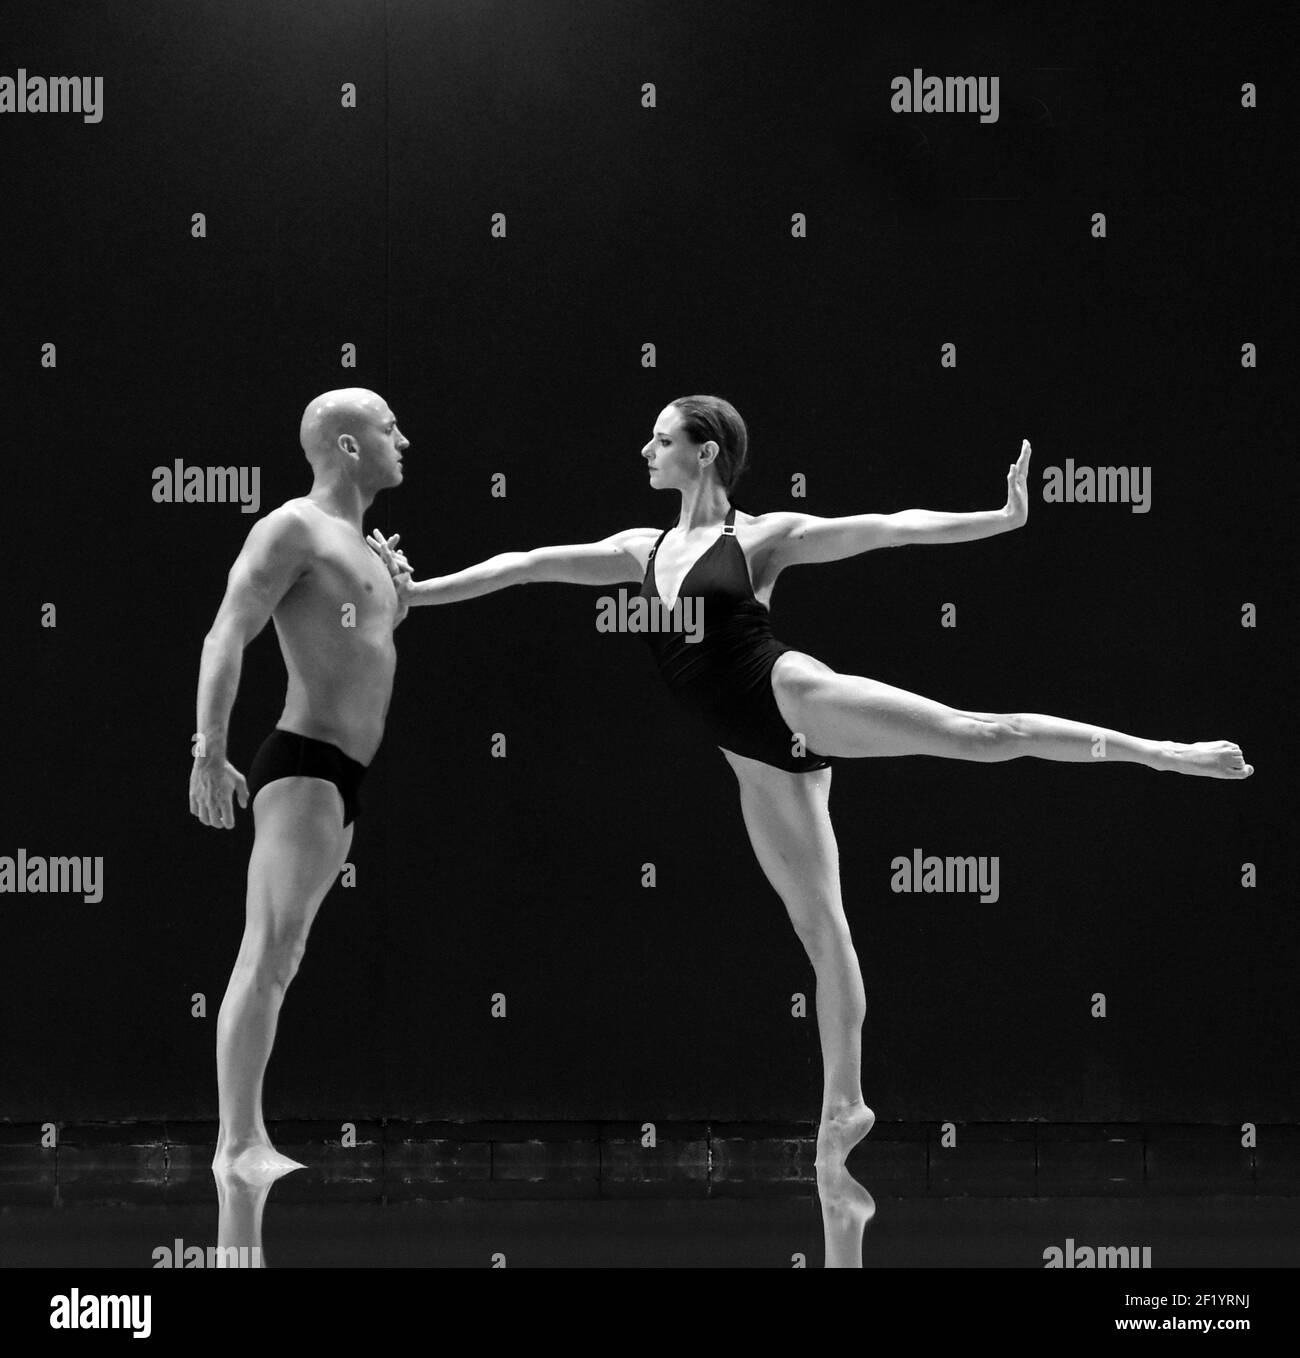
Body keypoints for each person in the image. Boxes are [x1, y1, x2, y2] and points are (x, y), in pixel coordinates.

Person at [368, 394, 1251, 1168]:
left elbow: (890, 526)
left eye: (660, 438)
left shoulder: (761, 538)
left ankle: (1163, 752)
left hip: (789, 699)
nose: (645, 450)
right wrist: (419, 593)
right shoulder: (637, 547)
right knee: (821, 930)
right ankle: (845, 1107)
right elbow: (523, 565)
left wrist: (1001, 516)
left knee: (980, 734)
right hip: (753, 762)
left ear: (704, 451)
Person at [191, 387, 411, 1173]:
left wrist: (395, 592)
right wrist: (207, 751)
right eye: (389, 429)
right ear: (348, 447)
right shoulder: (293, 527)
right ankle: (238, 1141)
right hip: (304, 763)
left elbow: (357, 644)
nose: (403, 440)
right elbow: (228, 630)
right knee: (270, 948)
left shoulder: (367, 547)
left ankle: (244, 1136)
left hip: (341, 774)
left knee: (286, 953)